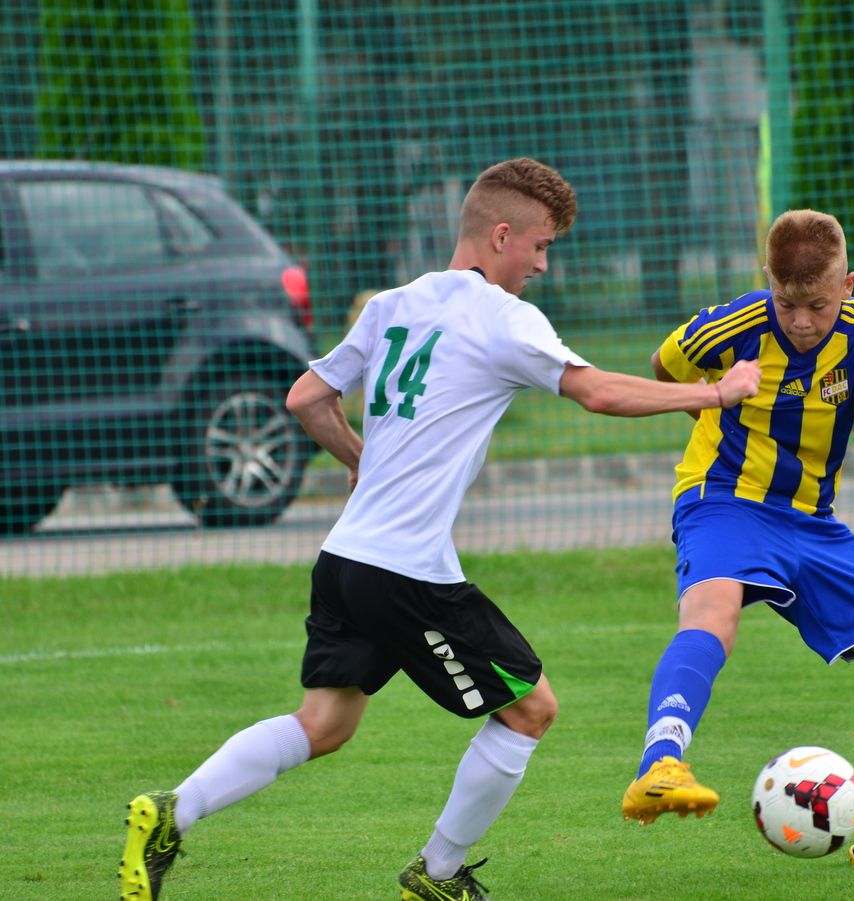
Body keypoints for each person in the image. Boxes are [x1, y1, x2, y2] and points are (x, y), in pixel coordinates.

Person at [117, 157, 762, 901]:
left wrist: (360, 460)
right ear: (501, 236)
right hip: (406, 571)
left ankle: (173, 810)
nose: (543, 266)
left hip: (344, 560)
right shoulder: (502, 318)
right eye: (540, 246)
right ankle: (440, 872)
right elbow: (597, 392)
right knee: (531, 710)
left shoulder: (393, 303)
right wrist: (716, 393)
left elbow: (306, 399)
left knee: (323, 723)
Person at [620, 208, 854, 866]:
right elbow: (663, 371)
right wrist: (717, 402)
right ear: (768, 281)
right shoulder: (732, 327)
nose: (802, 321)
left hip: (813, 523)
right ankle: (661, 763)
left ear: (847, 285)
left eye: (818, 304)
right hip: (723, 499)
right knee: (713, 613)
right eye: (786, 303)